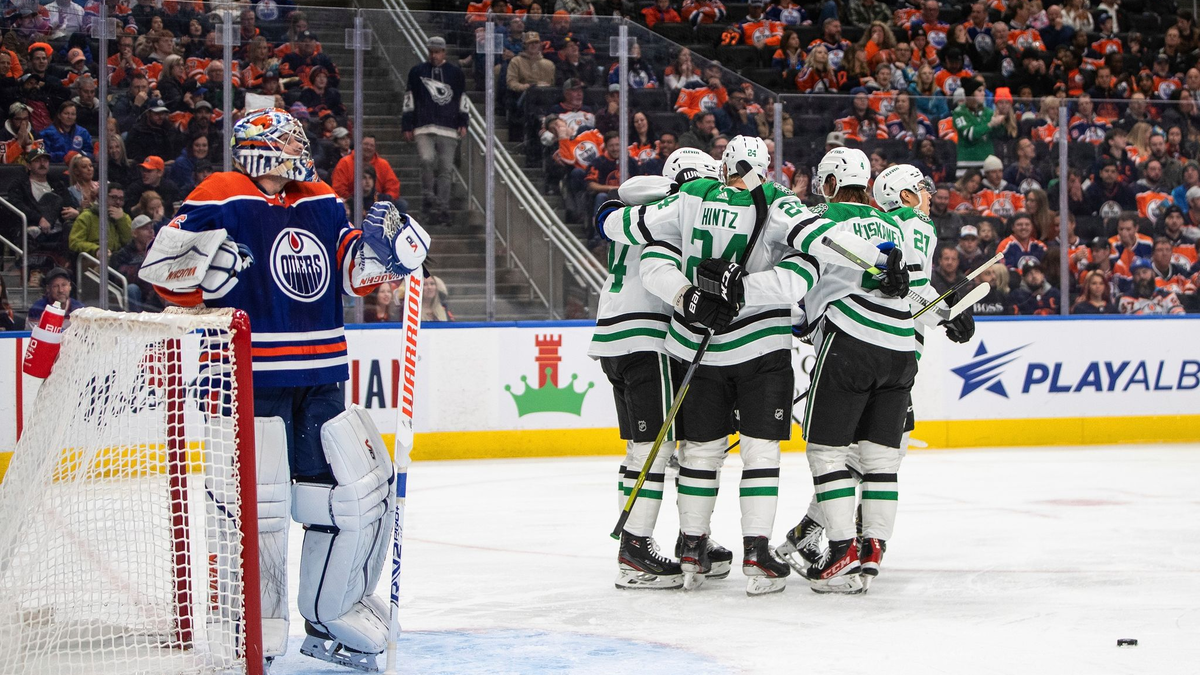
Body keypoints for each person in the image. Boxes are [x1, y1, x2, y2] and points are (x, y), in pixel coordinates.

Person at [139, 108, 429, 669]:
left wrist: (387, 254)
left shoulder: (319, 195)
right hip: (252, 374)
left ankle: (331, 616)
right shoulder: (221, 192)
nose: (304, 150)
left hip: (322, 371)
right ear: (263, 149)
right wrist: (199, 279)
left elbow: (348, 270)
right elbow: (162, 275)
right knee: (260, 505)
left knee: (347, 497)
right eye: (292, 141)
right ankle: (251, 626)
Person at [597, 136, 825, 596]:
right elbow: (803, 264)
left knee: (684, 450)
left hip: (635, 337)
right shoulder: (717, 202)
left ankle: (690, 547)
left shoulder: (669, 201)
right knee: (663, 450)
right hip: (658, 338)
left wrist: (605, 214)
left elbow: (622, 217)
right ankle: (652, 548)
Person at [589, 149, 733, 589]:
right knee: (657, 449)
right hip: (647, 339)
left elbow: (621, 199)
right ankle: (635, 549)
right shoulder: (675, 209)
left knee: (645, 448)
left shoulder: (640, 206)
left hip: (615, 338)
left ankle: (673, 539)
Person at [402, 36, 468, 227]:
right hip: (423, 126)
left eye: (437, 51)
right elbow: (409, 98)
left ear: (444, 52)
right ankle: (428, 197)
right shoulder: (417, 72)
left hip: (448, 127)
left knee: (446, 170)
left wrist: (463, 121)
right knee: (426, 159)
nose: (434, 55)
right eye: (431, 51)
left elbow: (462, 98)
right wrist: (407, 124)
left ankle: (443, 207)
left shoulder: (455, 73)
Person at [110, 215, 161, 312]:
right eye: (145, 228)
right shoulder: (122, 254)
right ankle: (137, 321)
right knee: (132, 289)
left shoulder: (158, 251)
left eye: (152, 228)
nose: (151, 231)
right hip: (137, 293)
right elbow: (121, 278)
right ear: (134, 233)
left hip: (153, 292)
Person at [331, 136, 402, 206]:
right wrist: (352, 203)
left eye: (371, 145)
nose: (368, 147)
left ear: (375, 148)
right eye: (366, 144)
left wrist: (384, 202)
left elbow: (393, 187)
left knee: (401, 204)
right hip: (351, 202)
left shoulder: (383, 164)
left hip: (378, 202)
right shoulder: (345, 162)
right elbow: (339, 188)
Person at [69, 182, 131, 257]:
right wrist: (96, 249)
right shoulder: (87, 216)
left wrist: (121, 220)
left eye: (121, 199)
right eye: (113, 197)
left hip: (118, 258)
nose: (118, 202)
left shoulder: (124, 217)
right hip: (95, 258)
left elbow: (129, 242)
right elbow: (74, 242)